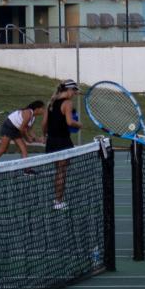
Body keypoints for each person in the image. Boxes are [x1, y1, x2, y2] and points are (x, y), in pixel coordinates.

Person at [44, 80, 81, 209]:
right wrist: (79, 125)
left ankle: (57, 200)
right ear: (69, 90)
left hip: (51, 141)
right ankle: (58, 202)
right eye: (74, 91)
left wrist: (45, 136)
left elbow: (45, 123)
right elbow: (70, 122)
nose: (75, 94)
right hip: (62, 141)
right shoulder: (67, 103)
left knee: (58, 171)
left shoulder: (51, 102)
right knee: (61, 172)